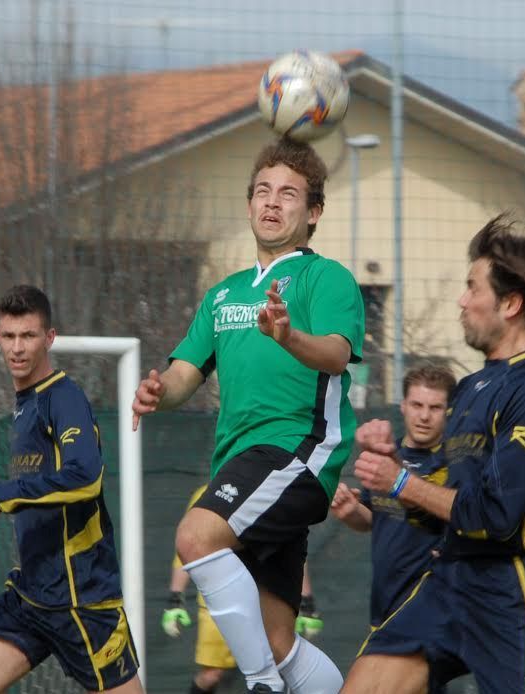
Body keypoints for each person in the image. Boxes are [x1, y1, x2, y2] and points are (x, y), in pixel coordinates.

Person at [132, 137, 364, 694]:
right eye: (263, 190)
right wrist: (159, 392)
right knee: (279, 639)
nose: (272, 202)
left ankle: (261, 685)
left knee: (195, 536)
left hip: (297, 451)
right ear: (249, 203)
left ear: (313, 212)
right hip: (243, 464)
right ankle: (280, 675)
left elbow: (337, 354)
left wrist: (289, 336)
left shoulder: (326, 278)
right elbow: (185, 373)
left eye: (288, 194)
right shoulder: (222, 295)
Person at [341, 215, 525, 694]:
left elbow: (495, 515)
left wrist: (400, 481)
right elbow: (446, 504)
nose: (462, 300)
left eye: (472, 287)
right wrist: (393, 466)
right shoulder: (473, 388)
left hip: (516, 592)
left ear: (510, 304)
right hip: (451, 580)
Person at [0, 285, 143, 694]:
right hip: (31, 595)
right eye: (9, 336)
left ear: (49, 338)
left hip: (81, 598)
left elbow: (85, 476)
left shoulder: (63, 398)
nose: (17, 348)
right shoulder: (25, 403)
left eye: (29, 336)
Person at [162, 485, 326, 694]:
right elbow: (188, 548)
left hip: (268, 599)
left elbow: (293, 553)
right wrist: (175, 599)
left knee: (282, 667)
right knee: (212, 674)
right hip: (220, 598)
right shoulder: (207, 493)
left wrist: (306, 602)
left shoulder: (276, 491)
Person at [330, 364, 456, 633]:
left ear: (449, 411)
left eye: (435, 408)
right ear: (403, 406)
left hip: (436, 609)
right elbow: (372, 519)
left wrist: (406, 483)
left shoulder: (456, 462)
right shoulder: (385, 454)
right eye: (417, 405)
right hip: (385, 604)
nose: (424, 416)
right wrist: (351, 511)